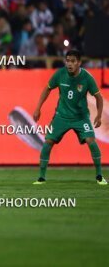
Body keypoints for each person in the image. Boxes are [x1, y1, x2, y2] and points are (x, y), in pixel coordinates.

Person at [32, 50, 106, 185]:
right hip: (62, 116)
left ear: (79, 62)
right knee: (48, 142)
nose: (69, 64)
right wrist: (38, 108)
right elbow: (47, 88)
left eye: (73, 61)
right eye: (67, 60)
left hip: (81, 117)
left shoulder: (87, 78)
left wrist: (99, 116)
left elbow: (98, 97)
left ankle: (99, 176)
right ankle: (41, 177)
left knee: (91, 140)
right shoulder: (60, 74)